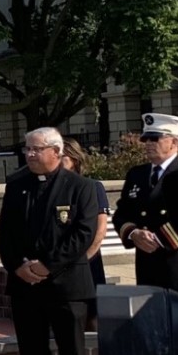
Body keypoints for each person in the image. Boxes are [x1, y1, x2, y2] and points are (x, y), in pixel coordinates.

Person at [0, 127, 99, 355]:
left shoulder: (80, 187)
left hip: (66, 284)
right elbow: (5, 234)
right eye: (27, 149)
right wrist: (17, 266)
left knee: (73, 351)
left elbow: (83, 233)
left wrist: (47, 266)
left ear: (57, 152)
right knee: (33, 351)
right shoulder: (17, 185)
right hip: (25, 283)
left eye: (36, 149)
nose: (29, 154)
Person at [112, 114, 178, 296]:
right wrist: (134, 233)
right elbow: (122, 214)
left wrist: (157, 240)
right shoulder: (136, 174)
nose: (148, 144)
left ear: (174, 142)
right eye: (146, 139)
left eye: (155, 138)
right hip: (149, 270)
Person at [60, 138, 111, 326]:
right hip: (59, 264)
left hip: (87, 264)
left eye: (63, 156)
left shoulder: (92, 186)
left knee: (93, 320)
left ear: (74, 159)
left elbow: (100, 229)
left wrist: (82, 260)